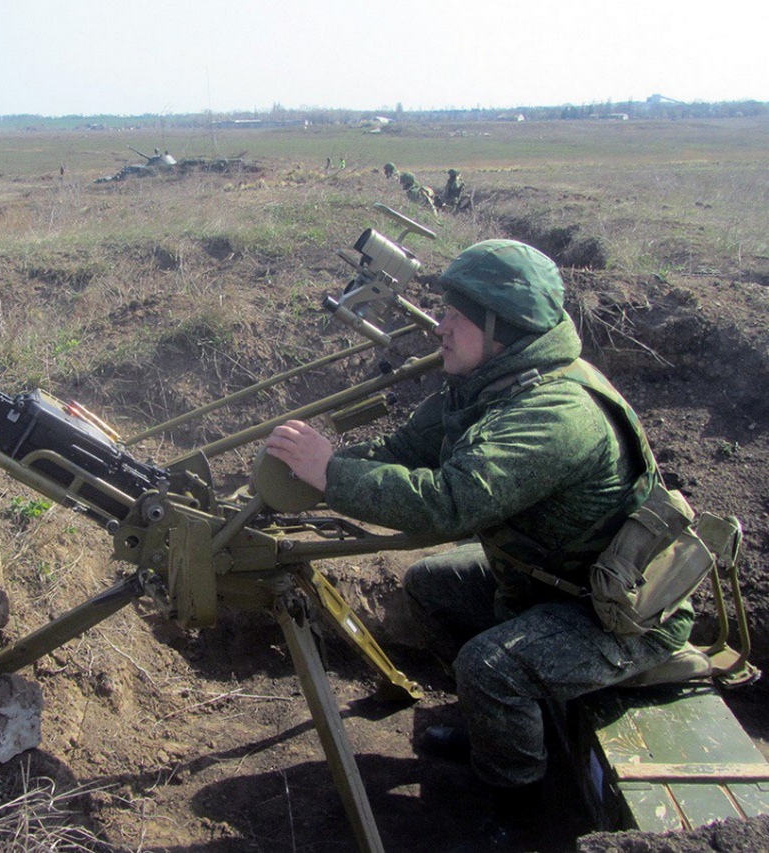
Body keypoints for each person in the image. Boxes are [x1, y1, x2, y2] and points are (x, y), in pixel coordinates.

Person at [264, 239, 692, 847]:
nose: (439, 327)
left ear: (503, 328)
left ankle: (518, 815)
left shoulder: (554, 413)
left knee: (491, 666)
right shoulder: (495, 379)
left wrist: (332, 474)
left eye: (455, 317)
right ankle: (497, 730)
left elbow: (449, 503)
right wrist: (314, 471)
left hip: (610, 613)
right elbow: (406, 451)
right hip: (545, 578)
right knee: (430, 585)